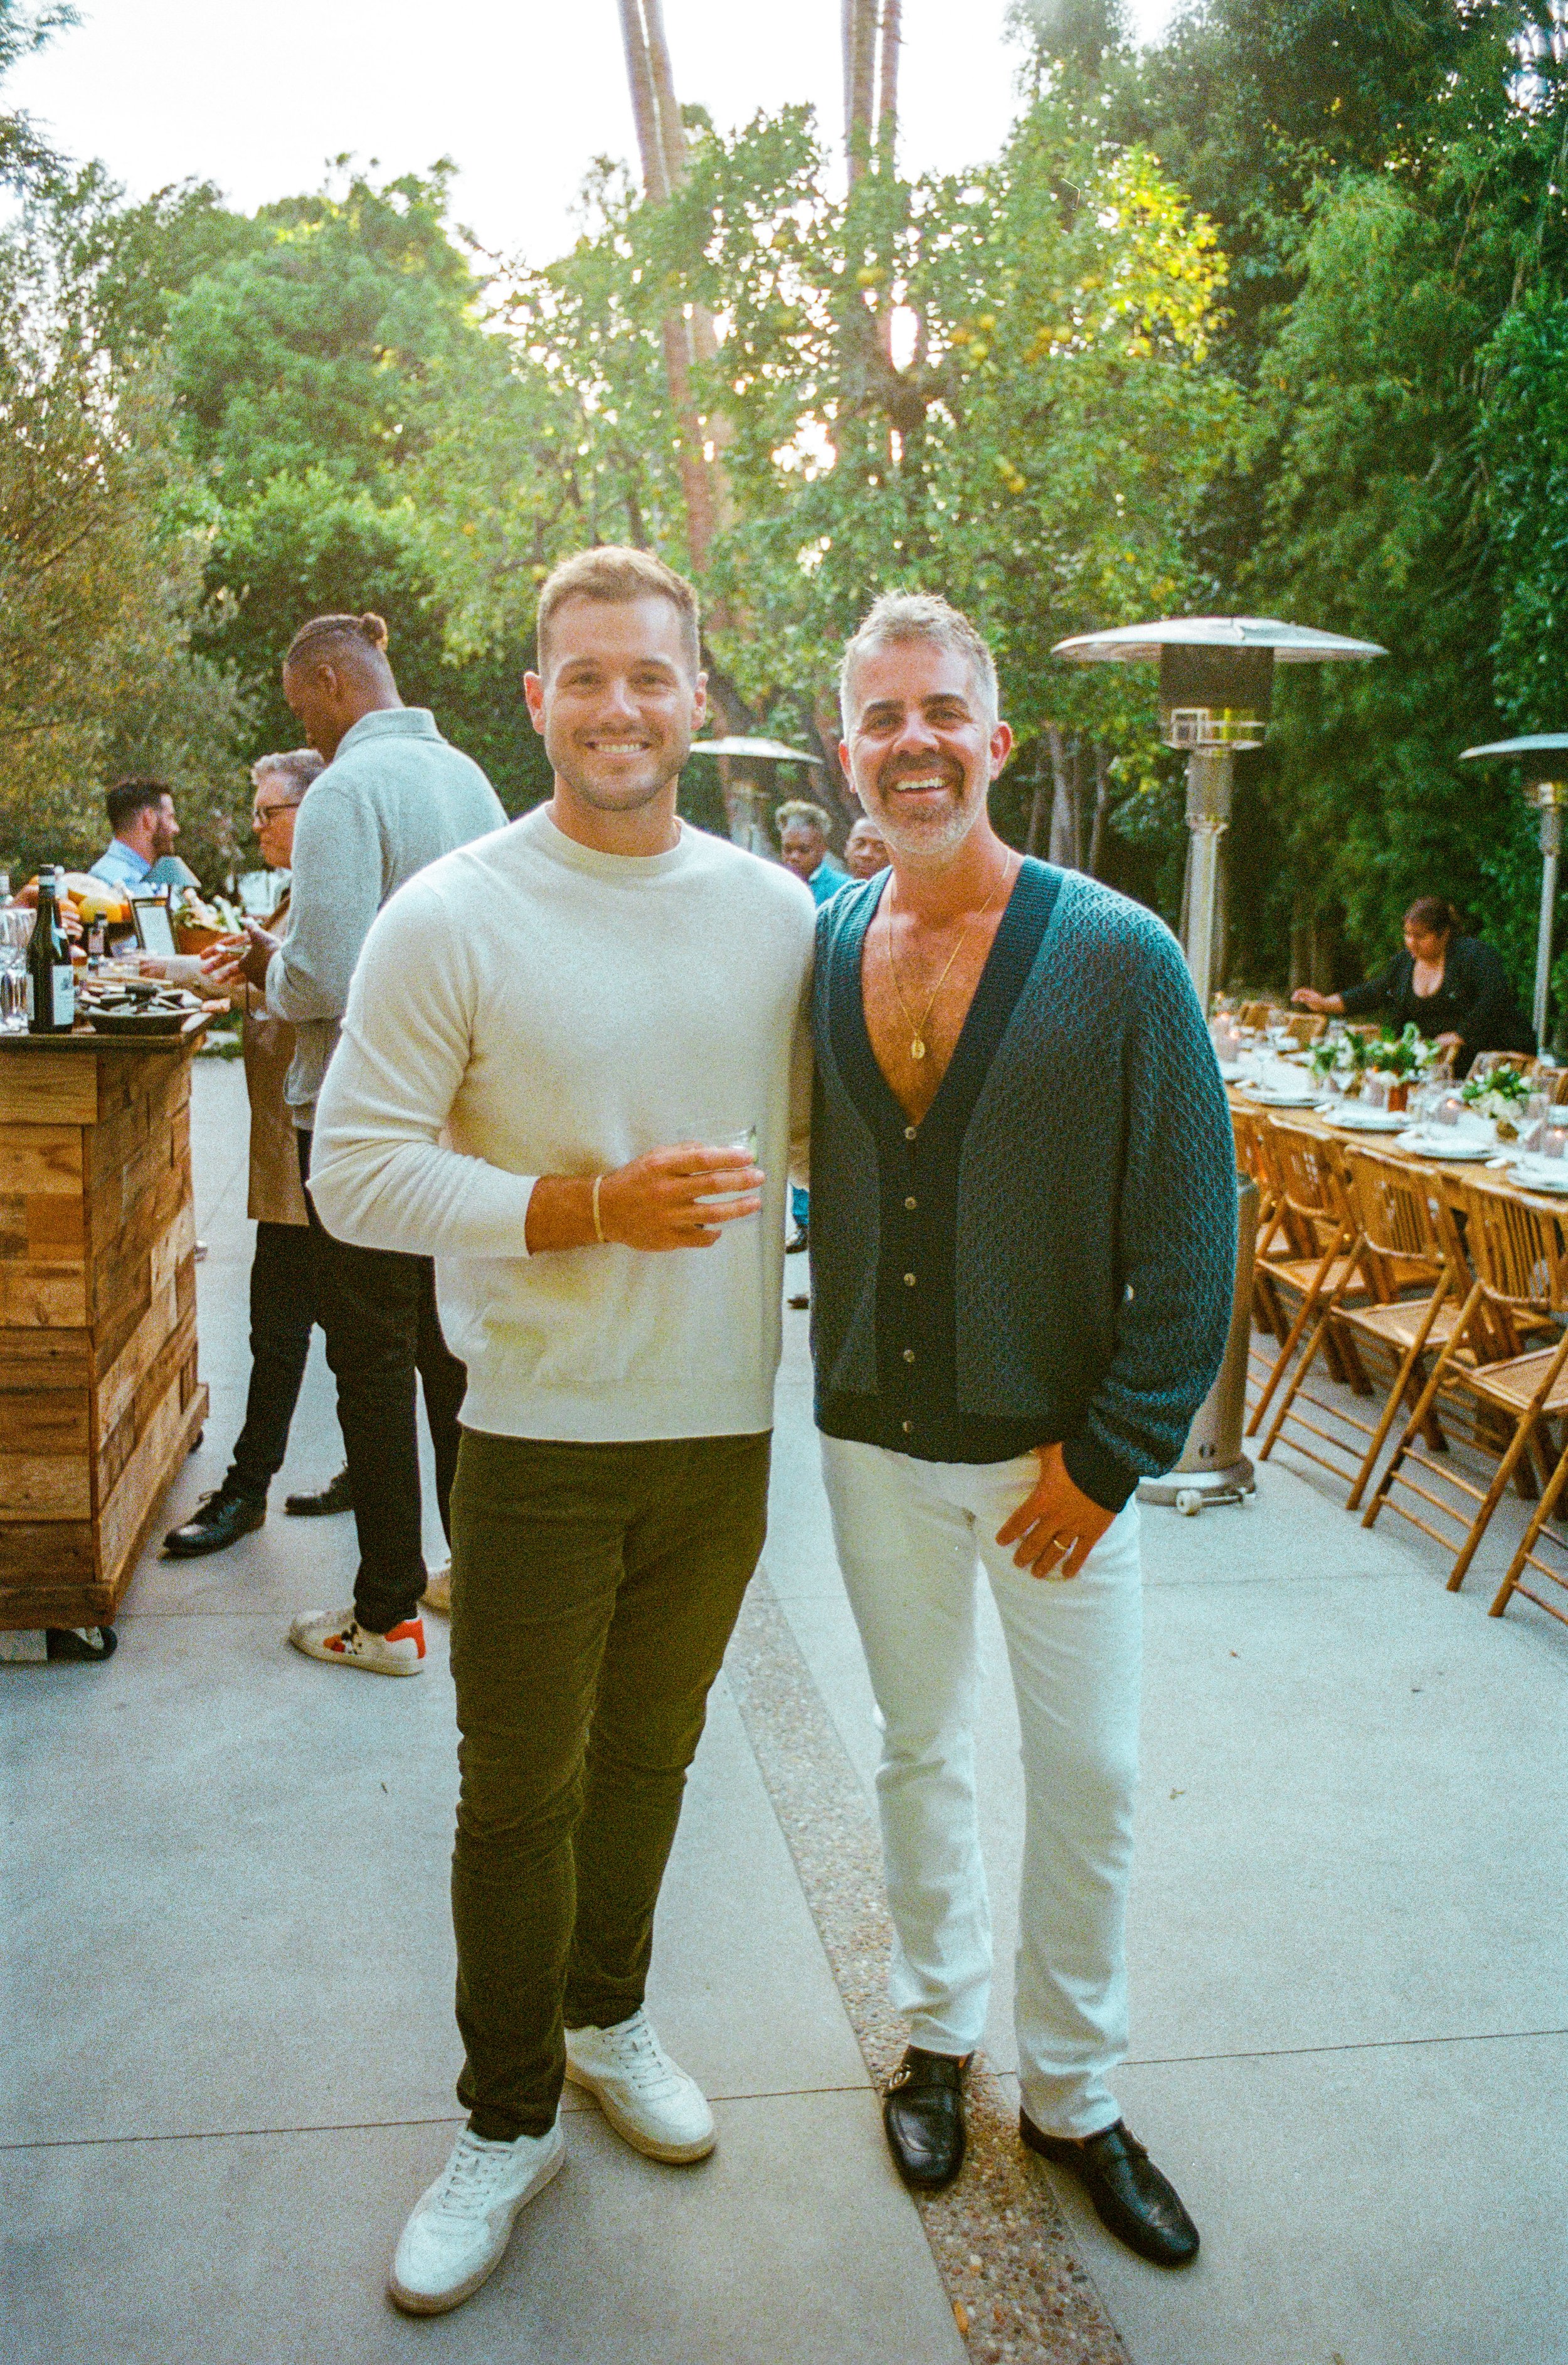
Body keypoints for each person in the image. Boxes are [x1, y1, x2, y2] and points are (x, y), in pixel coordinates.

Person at [307, 546, 813, 2317]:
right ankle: (502, 2120)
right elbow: (351, 1171)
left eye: (646, 675)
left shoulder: (773, 914)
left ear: (697, 695)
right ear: (536, 700)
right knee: (512, 1795)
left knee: (650, 1761)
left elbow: (842, 1136)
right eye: (580, 676)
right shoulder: (451, 911)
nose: (615, 706)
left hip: (718, 1438)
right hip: (529, 1437)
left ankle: (607, 2017)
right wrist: (584, 1209)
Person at [810, 592, 1234, 2268]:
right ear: (854, 748)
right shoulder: (829, 943)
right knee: (913, 1748)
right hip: (872, 1443)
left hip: (1057, 1461)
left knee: (1093, 1776)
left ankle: (1072, 2092)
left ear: (992, 739)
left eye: (941, 712)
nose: (912, 741)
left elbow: (1195, 1232)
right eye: (881, 716)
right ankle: (934, 2037)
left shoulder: (1119, 957)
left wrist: (1112, 1451)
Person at [219, 611, 506, 1671]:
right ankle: (471, 1571)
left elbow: (325, 976)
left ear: (333, 680)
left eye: (304, 706)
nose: (309, 726)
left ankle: (384, 1613)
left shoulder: (345, 789)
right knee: (447, 1353)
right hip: (459, 1118)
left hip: (360, 1120)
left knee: (371, 1360)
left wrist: (262, 964)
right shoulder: (468, 779)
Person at [162, 750, 351, 1555]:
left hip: (318, 1152)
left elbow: (315, 994)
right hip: (291, 1152)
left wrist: (237, 975)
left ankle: (249, 1489)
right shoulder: (297, 897)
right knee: (309, 1329)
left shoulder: (324, 897)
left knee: (292, 1328)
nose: (258, 825)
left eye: (269, 811)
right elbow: (277, 987)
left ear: (313, 813)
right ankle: (293, 1479)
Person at [1291, 896, 1535, 1076]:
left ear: (1444, 934)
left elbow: (1495, 999)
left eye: (1421, 936)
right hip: (1437, 1070)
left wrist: (1462, 1034)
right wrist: (1325, 1003)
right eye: (1408, 934)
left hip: (1493, 1063)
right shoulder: (1403, 964)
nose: (1412, 943)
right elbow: (1373, 992)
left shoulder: (1474, 956)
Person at [776, 800, 843, 1250]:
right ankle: (804, 1223)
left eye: (802, 849)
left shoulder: (841, 891)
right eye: (787, 849)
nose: (794, 858)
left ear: (822, 846)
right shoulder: (775, 888)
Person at [88, 778, 186, 891]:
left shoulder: (159, 880)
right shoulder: (105, 883)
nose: (176, 829)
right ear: (149, 818)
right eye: (170, 817)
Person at [840, 814, 889, 881]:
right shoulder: (835, 889)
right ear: (846, 848)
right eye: (860, 844)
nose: (866, 854)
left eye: (880, 847)